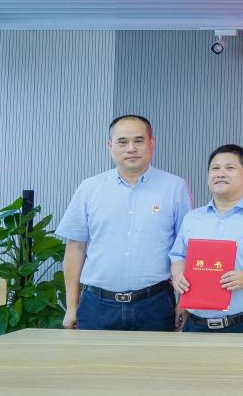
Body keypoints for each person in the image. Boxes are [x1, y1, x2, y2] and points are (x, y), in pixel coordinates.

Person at [57, 114, 192, 331]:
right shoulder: (89, 188)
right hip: (97, 305)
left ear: (152, 143)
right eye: (122, 142)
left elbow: (186, 250)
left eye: (138, 141)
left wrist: (184, 302)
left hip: (155, 305)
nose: (131, 148)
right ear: (110, 146)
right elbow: (75, 248)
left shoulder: (175, 187)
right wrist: (71, 307)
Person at [170, 144, 243, 334]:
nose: (220, 174)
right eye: (215, 168)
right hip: (196, 324)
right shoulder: (192, 218)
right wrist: (178, 276)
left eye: (229, 168)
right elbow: (178, 256)